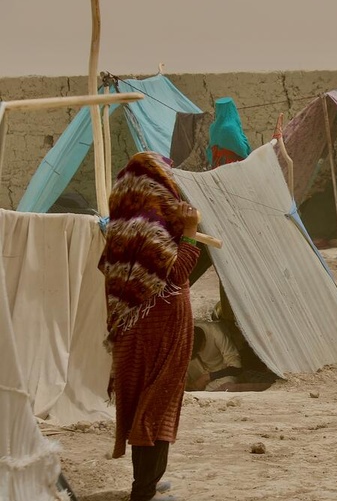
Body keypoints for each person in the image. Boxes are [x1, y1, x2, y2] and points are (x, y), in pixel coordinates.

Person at [100, 152, 202, 501]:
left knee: (142, 399)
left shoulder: (121, 224)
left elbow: (111, 270)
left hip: (130, 326)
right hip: (163, 322)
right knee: (158, 403)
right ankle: (143, 490)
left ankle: (149, 479)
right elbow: (175, 273)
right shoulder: (154, 224)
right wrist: (189, 231)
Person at [186, 324, 242, 391]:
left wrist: (206, 377)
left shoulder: (217, 334)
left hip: (218, 374)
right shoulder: (186, 335)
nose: (199, 353)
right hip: (197, 374)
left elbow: (237, 368)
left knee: (228, 382)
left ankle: (202, 390)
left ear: (204, 341)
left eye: (199, 350)